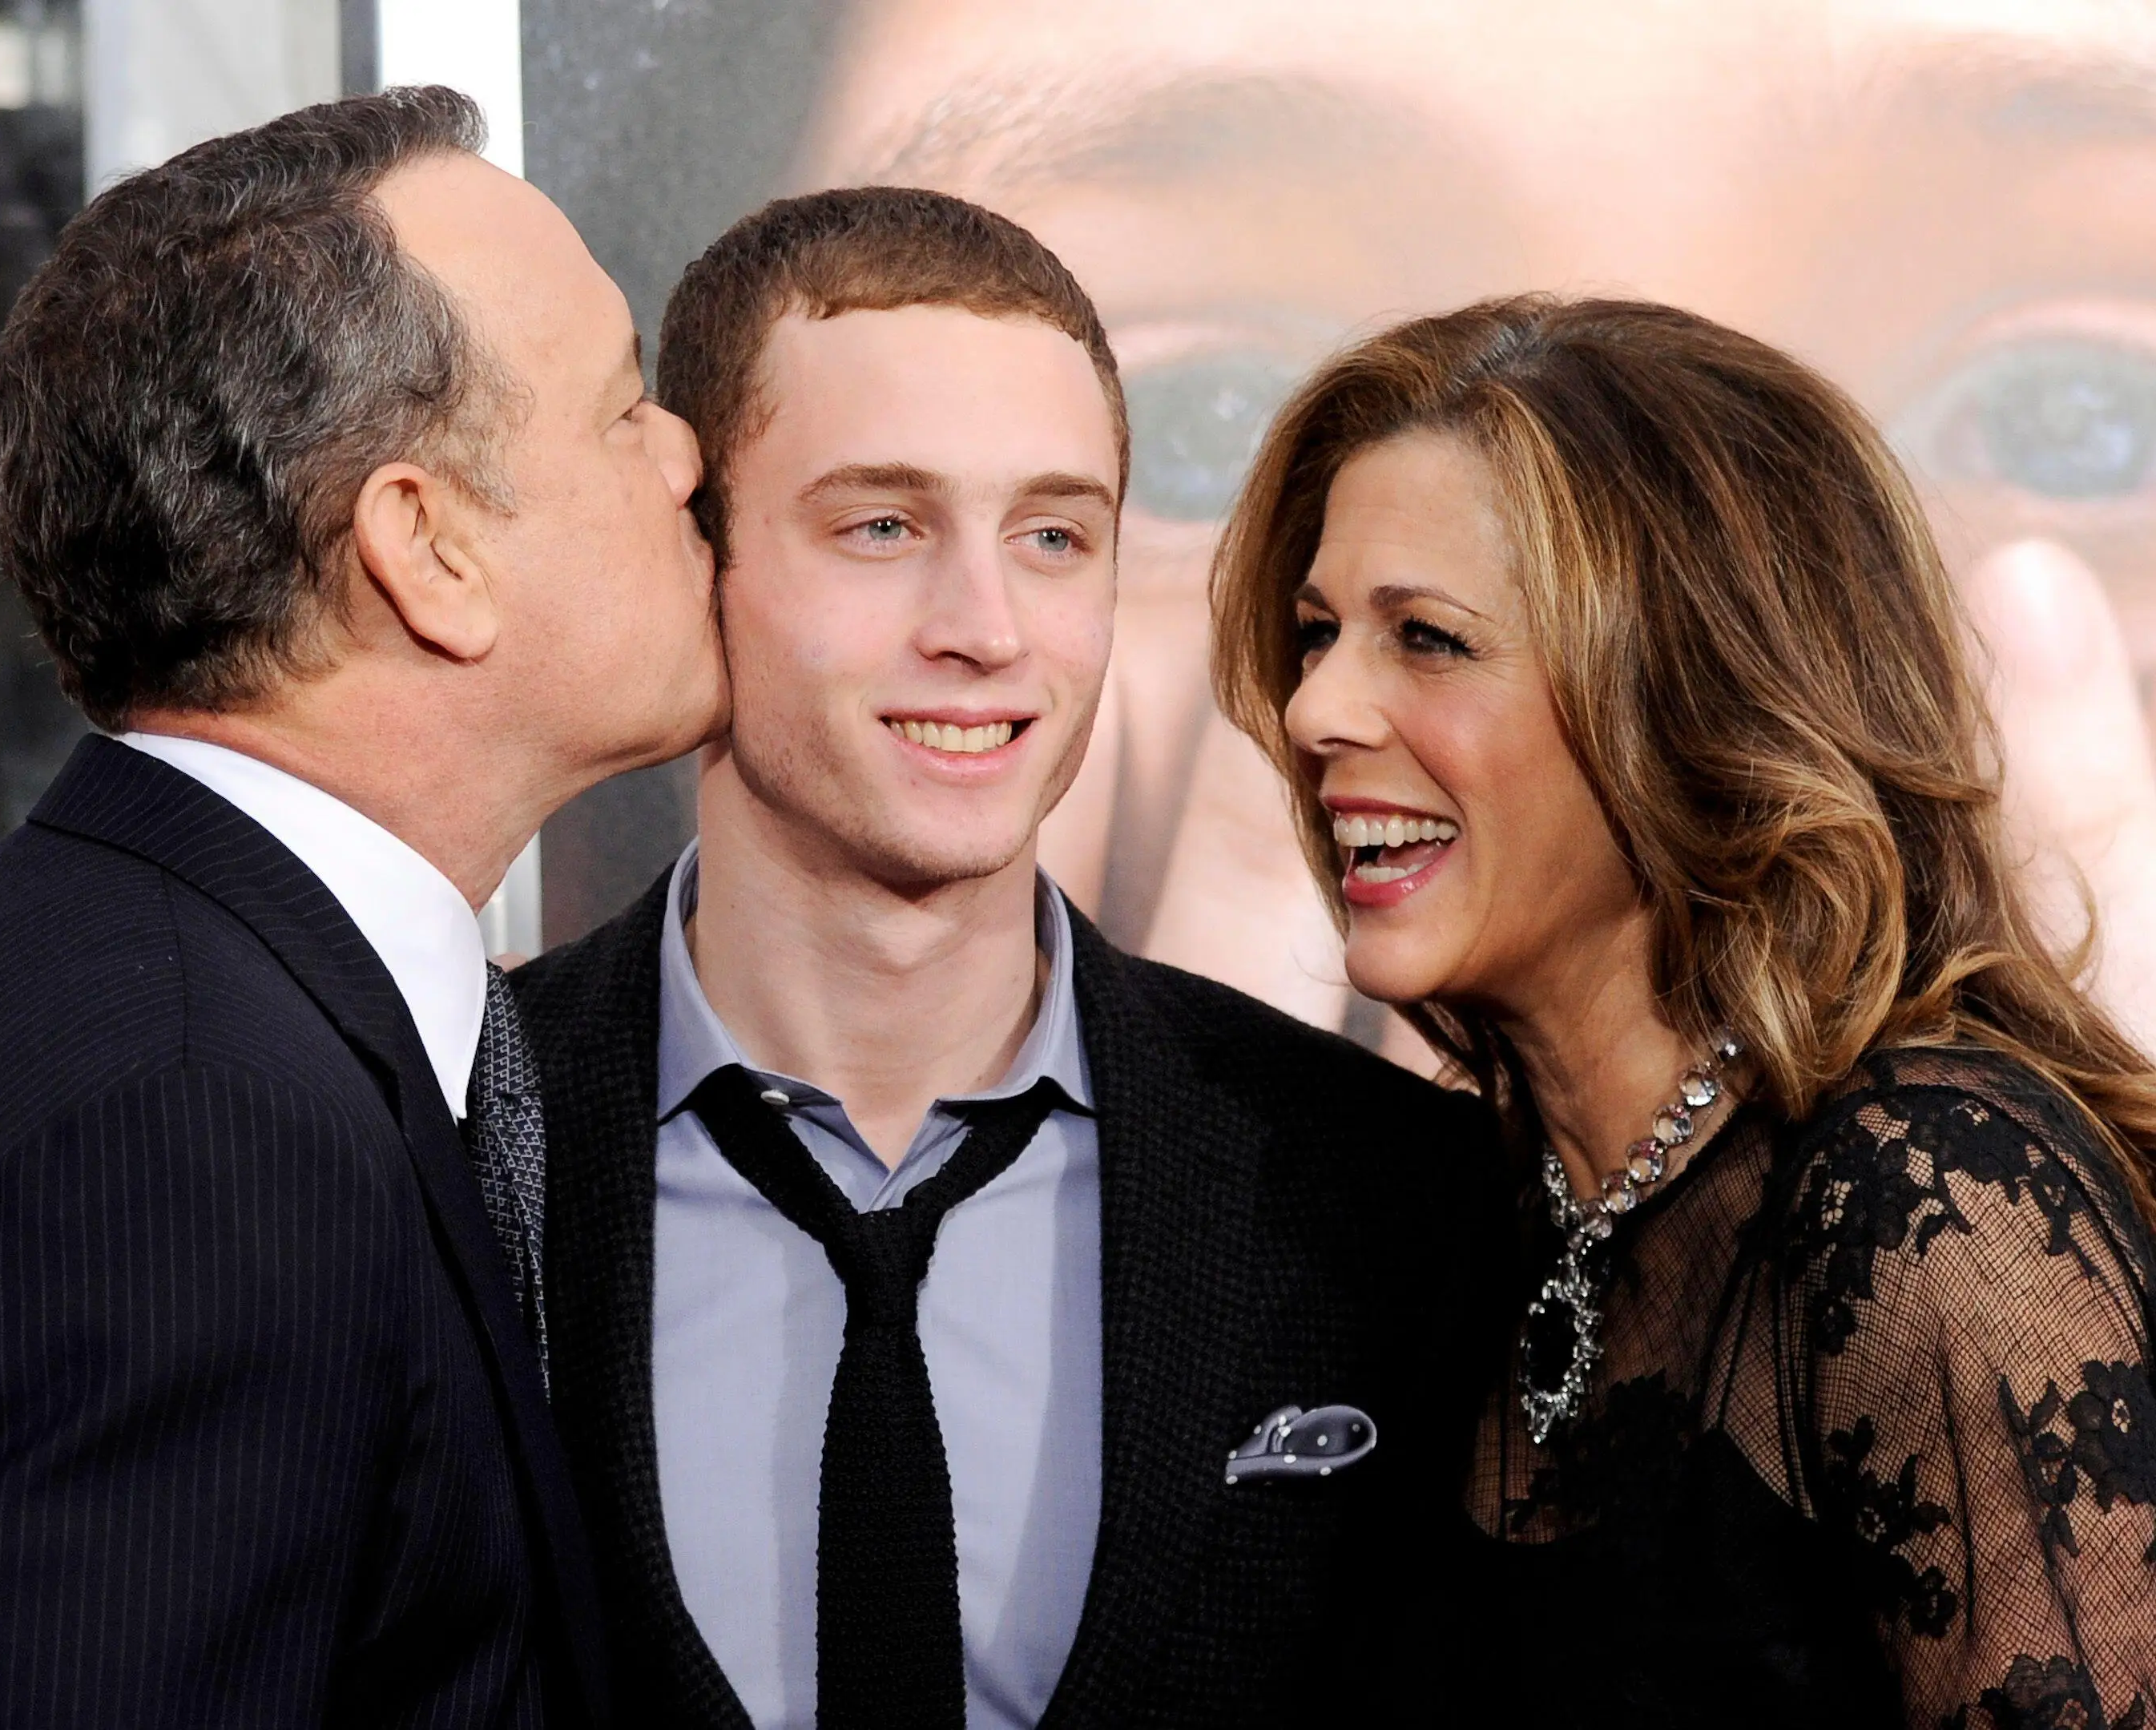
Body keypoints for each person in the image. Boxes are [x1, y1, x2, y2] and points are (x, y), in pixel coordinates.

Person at [534, 0, 2156, 1063]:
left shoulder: (1966, 1263)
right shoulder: (509, 1141)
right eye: (1200, 435)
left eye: (2078, 410)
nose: (1646, 679)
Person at [0, 88, 724, 1724]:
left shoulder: (83, 984)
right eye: (623, 409)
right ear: (427, 548)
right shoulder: (192, 1128)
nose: (688, 452)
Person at [510, 185, 1510, 1730]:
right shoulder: (440, 1136)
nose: (984, 625)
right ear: (696, 556)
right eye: (883, 526)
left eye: (1053, 535)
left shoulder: (1382, 1189)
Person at [1211, 293, 2156, 1727]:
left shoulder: (1929, 1203)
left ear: (1688, 695)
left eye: (1429, 638)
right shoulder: (1468, 1219)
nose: (1315, 708)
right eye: (1320, 631)